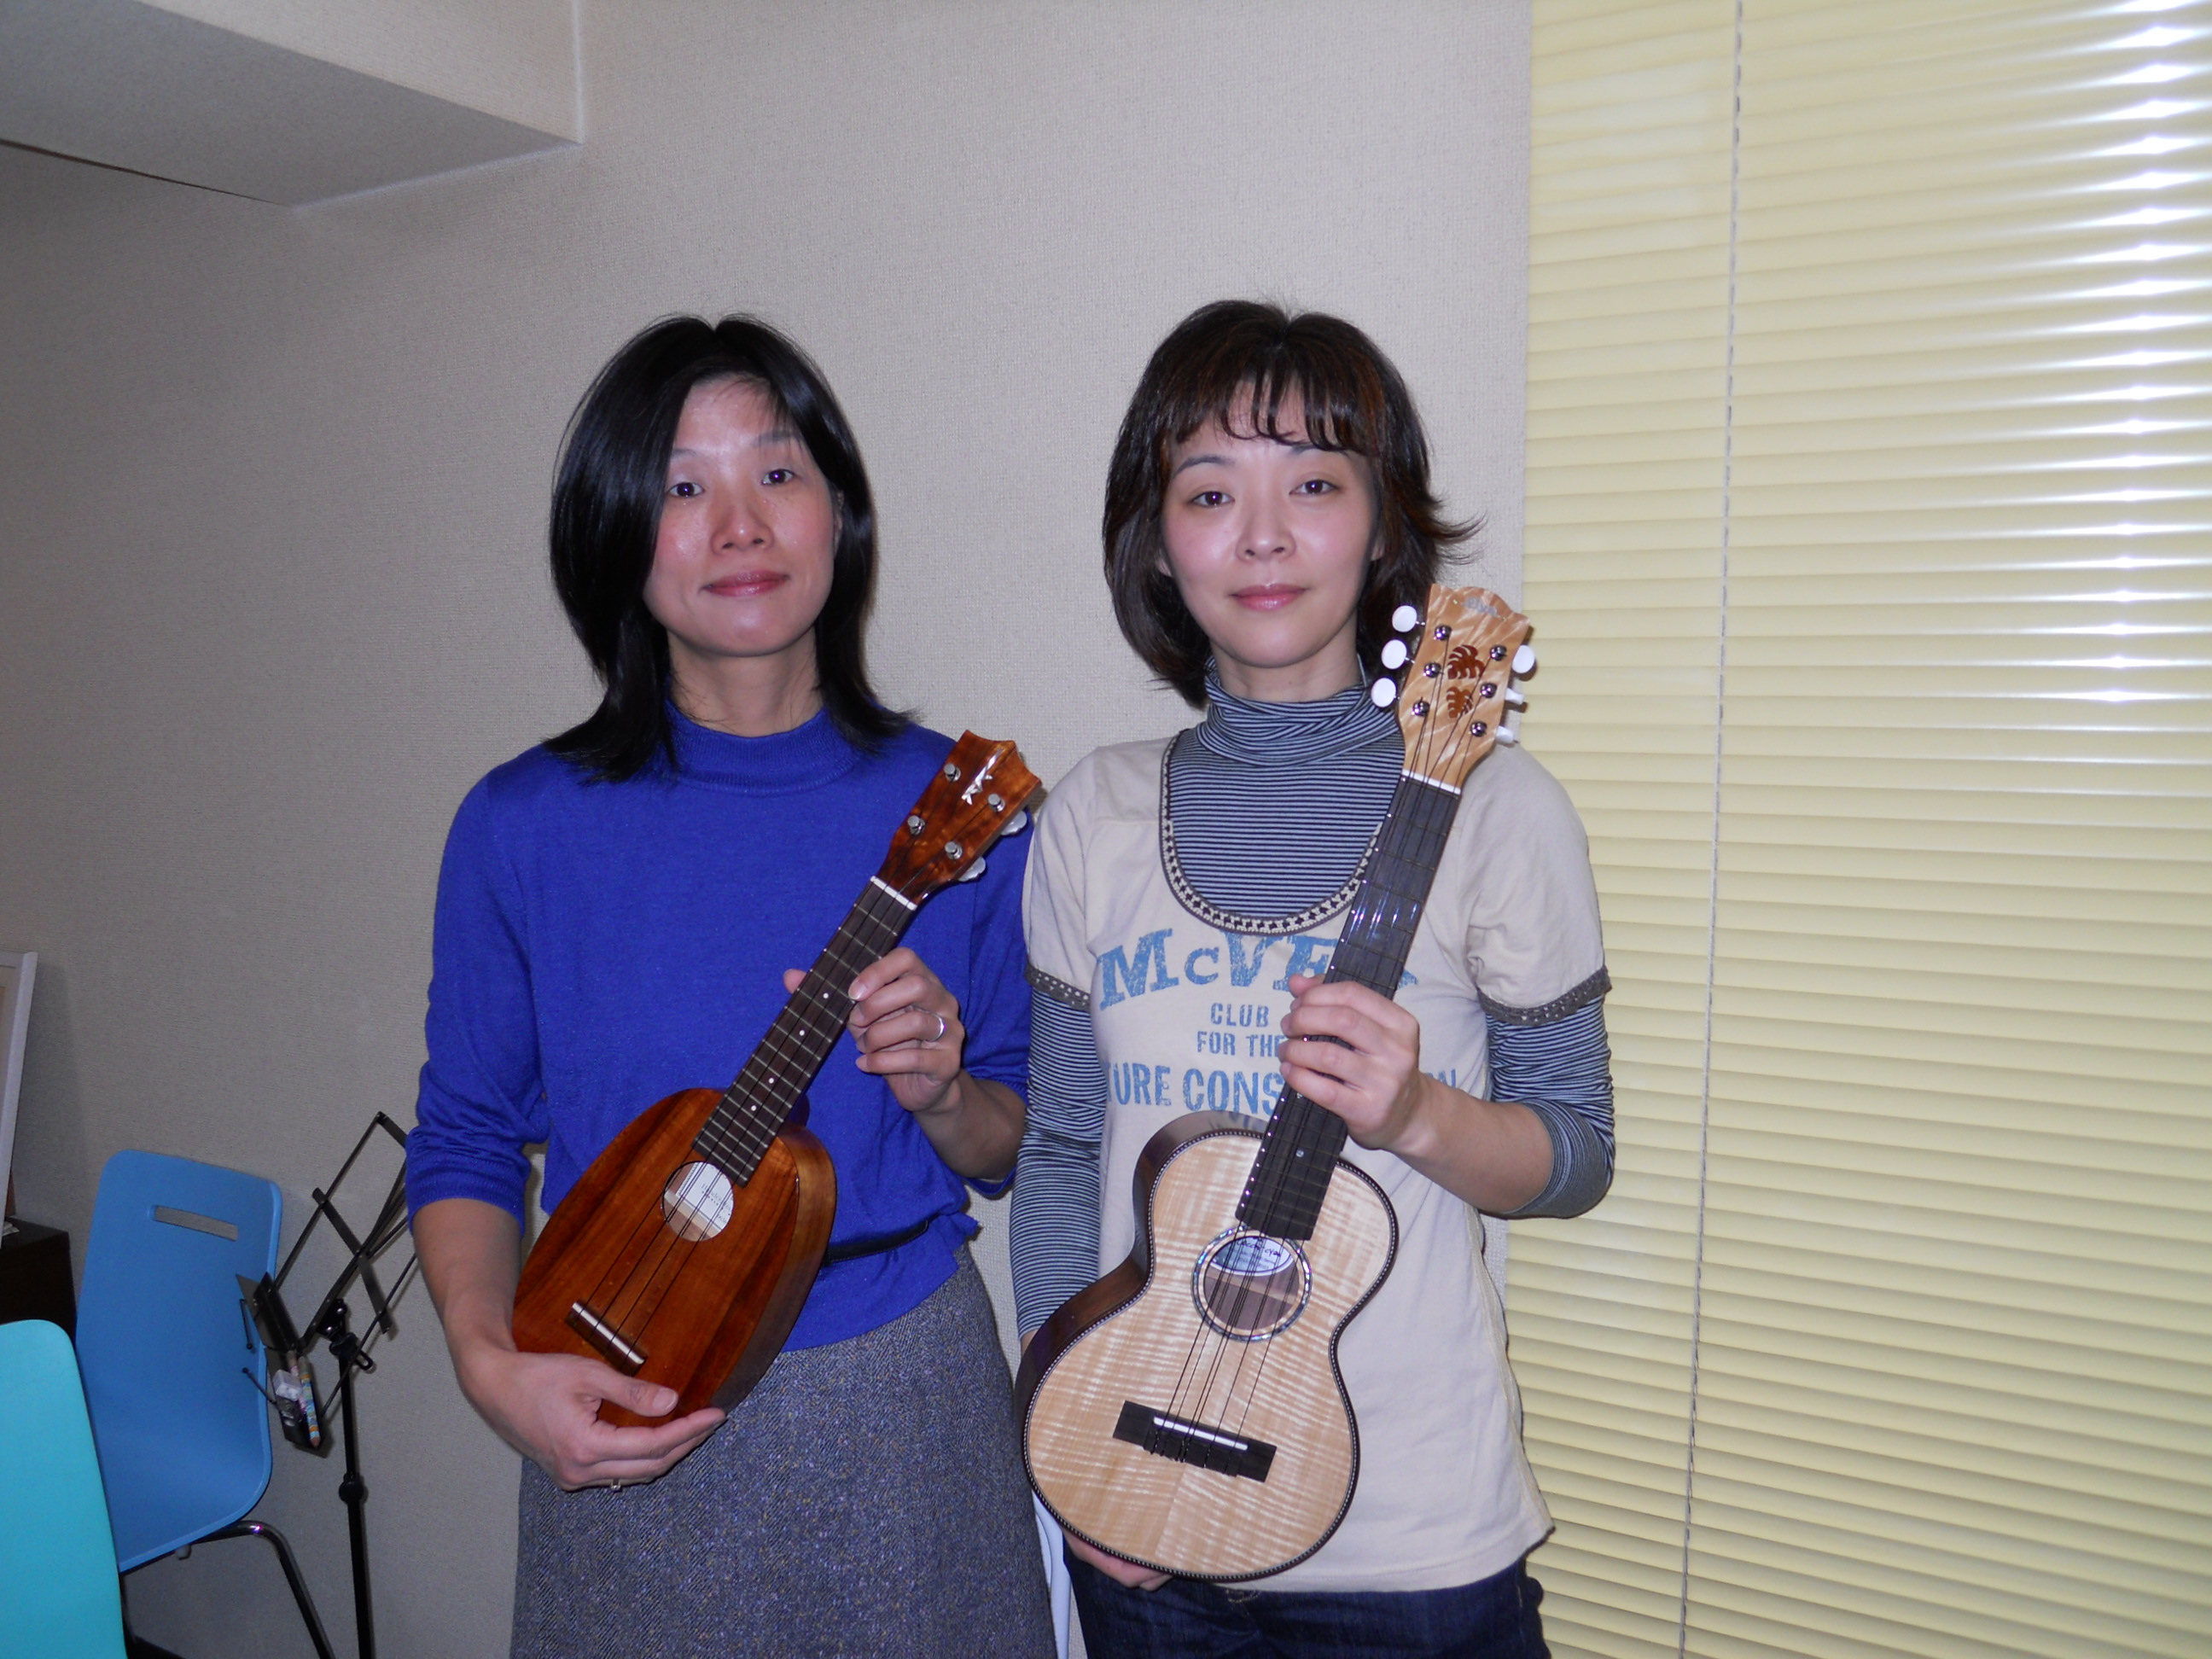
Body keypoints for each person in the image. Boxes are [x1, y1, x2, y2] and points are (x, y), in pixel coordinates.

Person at [405, 316, 1055, 1659]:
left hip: (903, 1402)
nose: (740, 523)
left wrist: (942, 1091)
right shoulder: (522, 824)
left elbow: (1009, 1141)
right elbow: (466, 1138)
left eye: (777, 470)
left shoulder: (956, 810)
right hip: (626, 1383)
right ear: (616, 534)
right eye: (683, 486)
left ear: (838, 511)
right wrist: (491, 1369)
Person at [1011, 300, 1615, 1658]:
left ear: (1384, 524)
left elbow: (1576, 1153)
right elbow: (1057, 1148)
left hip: (1413, 1547)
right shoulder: (1095, 813)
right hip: (1143, 1510)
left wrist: (1418, 1116)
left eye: (1316, 484)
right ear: (1157, 540)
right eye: (1210, 491)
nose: (1264, 536)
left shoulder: (1497, 807)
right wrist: (1064, 1427)